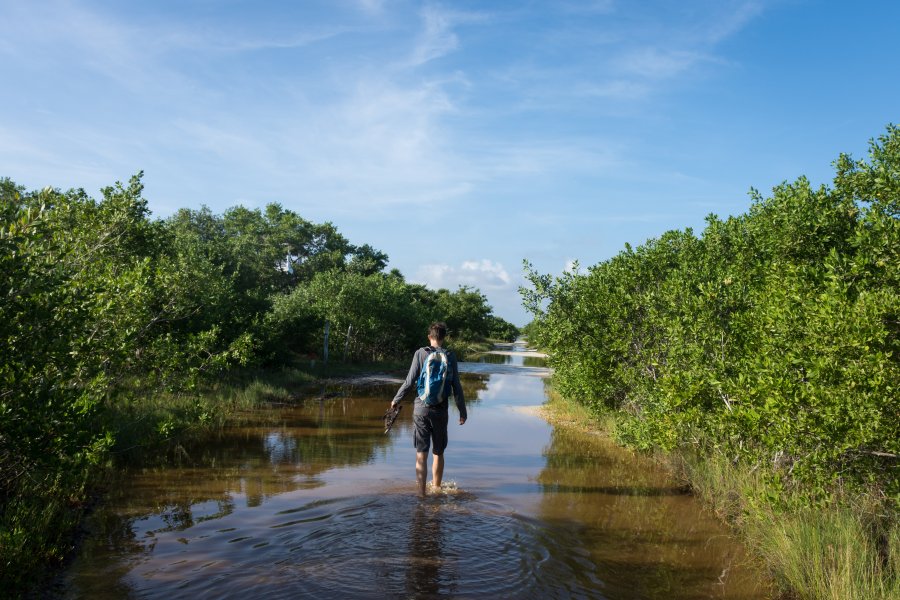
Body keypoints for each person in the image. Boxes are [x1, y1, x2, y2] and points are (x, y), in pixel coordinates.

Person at [390, 322, 467, 496]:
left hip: (421, 409)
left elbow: (410, 381)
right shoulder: (450, 355)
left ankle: (421, 494)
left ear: (429, 337)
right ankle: (437, 490)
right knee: (438, 452)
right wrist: (462, 411)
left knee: (421, 453)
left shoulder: (420, 353)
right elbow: (456, 386)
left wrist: (396, 399)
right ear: (444, 337)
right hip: (440, 410)